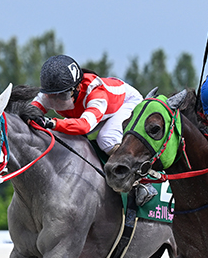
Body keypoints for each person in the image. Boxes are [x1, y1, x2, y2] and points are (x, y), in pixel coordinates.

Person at [32, 54, 155, 204]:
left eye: (62, 95)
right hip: (97, 114)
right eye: (52, 95)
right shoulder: (52, 91)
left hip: (126, 104)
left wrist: (51, 123)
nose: (56, 101)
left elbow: (84, 126)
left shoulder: (96, 93)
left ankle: (143, 183)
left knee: (106, 139)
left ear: (77, 87)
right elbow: (30, 111)